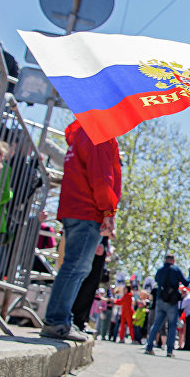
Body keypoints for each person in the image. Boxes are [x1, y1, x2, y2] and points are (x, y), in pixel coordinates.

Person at [40, 120, 121, 341]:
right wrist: (108, 211)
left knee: (76, 267)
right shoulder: (99, 134)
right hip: (87, 210)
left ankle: (61, 319)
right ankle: (57, 321)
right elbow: (102, 179)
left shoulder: (82, 134)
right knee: (76, 267)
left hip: (74, 207)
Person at [144, 254, 190, 357]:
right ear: (173, 260)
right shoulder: (176, 270)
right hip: (171, 301)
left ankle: (149, 347)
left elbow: (157, 281)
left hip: (160, 299)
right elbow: (186, 283)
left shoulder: (160, 270)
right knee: (172, 326)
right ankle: (170, 350)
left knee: (157, 323)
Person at [71, 237, 108, 332]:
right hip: (94, 239)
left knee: (90, 284)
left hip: (98, 240)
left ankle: (80, 321)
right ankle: (76, 321)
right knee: (86, 283)